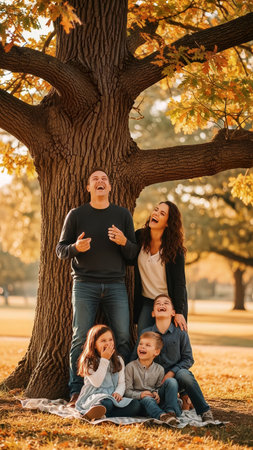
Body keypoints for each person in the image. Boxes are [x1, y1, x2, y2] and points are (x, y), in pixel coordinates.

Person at [56, 168, 138, 405]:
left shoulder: (122, 215)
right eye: (95, 179)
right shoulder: (76, 214)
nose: (100, 182)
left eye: (104, 179)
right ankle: (76, 390)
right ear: (88, 187)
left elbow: (133, 255)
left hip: (116, 285)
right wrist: (75, 248)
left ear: (110, 187)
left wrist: (124, 242)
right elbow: (60, 250)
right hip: (84, 284)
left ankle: (121, 388)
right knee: (80, 337)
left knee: (122, 337)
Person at [132, 294, 214, 423]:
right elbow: (134, 358)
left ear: (173, 312)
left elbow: (188, 359)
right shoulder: (146, 334)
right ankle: (172, 410)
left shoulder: (180, 333)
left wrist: (172, 372)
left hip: (177, 378)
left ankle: (204, 411)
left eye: (166, 303)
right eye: (158, 303)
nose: (162, 305)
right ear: (153, 313)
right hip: (154, 383)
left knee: (184, 374)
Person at [134, 201, 188, 336]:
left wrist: (179, 312)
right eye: (156, 210)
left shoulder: (175, 250)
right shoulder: (139, 237)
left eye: (162, 213)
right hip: (147, 301)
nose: (156, 214)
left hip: (169, 303)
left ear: (168, 222)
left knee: (171, 342)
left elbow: (180, 283)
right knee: (143, 340)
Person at [75, 325, 142, 420]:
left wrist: (118, 392)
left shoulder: (118, 360)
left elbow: (121, 382)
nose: (108, 343)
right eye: (103, 341)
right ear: (94, 344)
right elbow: (97, 383)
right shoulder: (88, 360)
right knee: (106, 403)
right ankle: (95, 410)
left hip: (113, 396)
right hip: (95, 396)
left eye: (110, 340)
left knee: (136, 405)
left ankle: (102, 415)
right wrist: (104, 360)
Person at [125, 331, 181, 425]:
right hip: (140, 402)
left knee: (171, 381)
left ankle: (171, 412)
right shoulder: (130, 367)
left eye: (147, 345)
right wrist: (141, 395)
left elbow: (158, 387)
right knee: (147, 399)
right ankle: (162, 416)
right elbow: (126, 391)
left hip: (155, 401)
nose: (142, 347)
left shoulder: (159, 369)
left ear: (156, 352)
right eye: (141, 344)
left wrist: (156, 393)